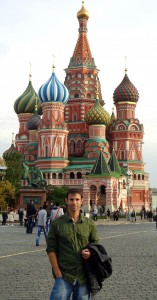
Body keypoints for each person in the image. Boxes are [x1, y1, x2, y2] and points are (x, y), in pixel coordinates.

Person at [46, 188, 98, 300]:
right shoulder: (57, 224)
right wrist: (58, 273)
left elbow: (96, 247)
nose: (74, 202)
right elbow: (51, 250)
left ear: (82, 201)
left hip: (83, 277)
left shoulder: (89, 224)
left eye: (77, 199)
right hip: (64, 276)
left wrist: (90, 253)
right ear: (66, 200)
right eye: (71, 199)